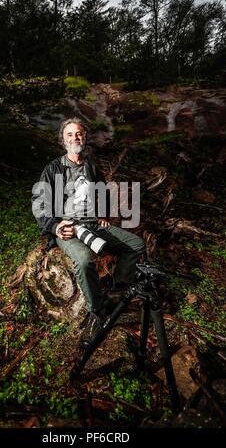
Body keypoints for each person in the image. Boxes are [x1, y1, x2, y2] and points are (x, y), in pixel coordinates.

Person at [32, 118, 145, 347]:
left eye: (79, 134)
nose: (75, 138)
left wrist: (102, 214)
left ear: (84, 138)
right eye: (70, 134)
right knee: (84, 260)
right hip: (68, 229)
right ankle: (97, 311)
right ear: (63, 140)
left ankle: (118, 289)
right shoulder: (53, 168)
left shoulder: (91, 167)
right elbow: (40, 203)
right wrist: (55, 227)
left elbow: (102, 190)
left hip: (93, 225)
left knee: (136, 244)